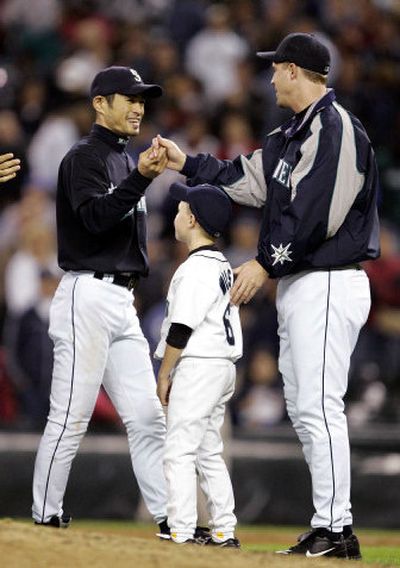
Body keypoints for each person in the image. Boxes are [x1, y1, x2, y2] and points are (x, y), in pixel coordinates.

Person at [152, 33, 380, 559]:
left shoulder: (336, 127)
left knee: (319, 408)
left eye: (276, 69)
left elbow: (317, 215)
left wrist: (265, 261)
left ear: (296, 71)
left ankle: (337, 529)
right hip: (302, 283)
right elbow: (243, 179)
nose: (270, 77)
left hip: (328, 279)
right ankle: (328, 523)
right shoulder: (290, 135)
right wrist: (187, 164)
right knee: (305, 409)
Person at [31, 66, 170, 532]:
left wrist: (138, 178)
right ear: (99, 103)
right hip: (86, 294)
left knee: (148, 417)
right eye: (127, 98)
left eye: (141, 99)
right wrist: (141, 182)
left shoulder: (125, 159)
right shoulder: (85, 157)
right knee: (71, 413)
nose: (137, 106)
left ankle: (171, 518)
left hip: (119, 300)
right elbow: (93, 219)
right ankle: (46, 515)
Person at [155, 181, 242, 547]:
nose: (176, 214)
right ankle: (223, 530)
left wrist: (164, 373)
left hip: (200, 363)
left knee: (178, 448)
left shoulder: (195, 268)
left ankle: (182, 532)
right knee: (207, 451)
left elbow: (181, 327)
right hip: (222, 366)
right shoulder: (222, 264)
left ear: (191, 219)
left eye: (180, 210)